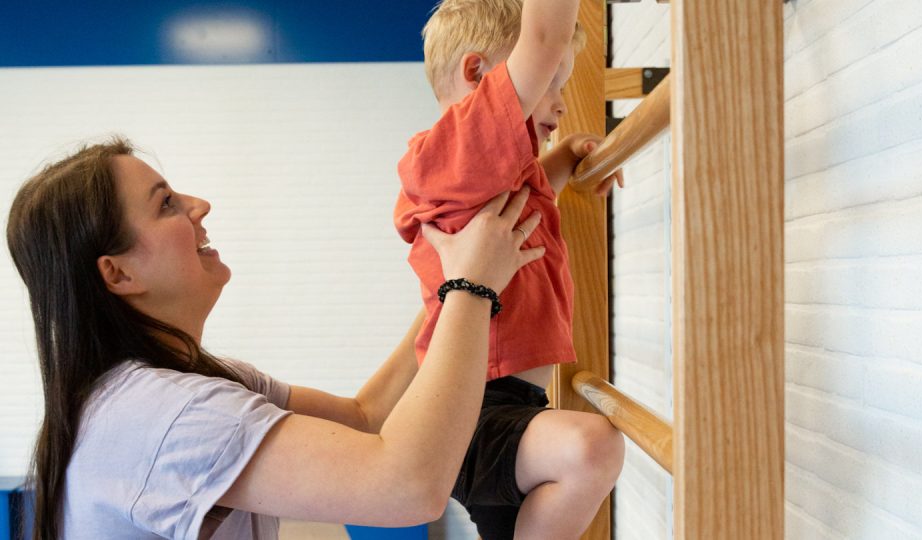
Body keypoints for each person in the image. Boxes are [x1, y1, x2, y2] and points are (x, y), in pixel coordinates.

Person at [5, 138, 546, 539]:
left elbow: (365, 416)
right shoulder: (166, 415)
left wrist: (447, 284)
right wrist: (471, 288)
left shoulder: (188, 380)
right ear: (118, 275)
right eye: (166, 203)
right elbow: (408, 487)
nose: (199, 205)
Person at [393, 0, 626, 538]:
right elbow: (543, 37)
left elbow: (527, 195)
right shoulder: (452, 149)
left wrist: (567, 157)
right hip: (476, 411)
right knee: (592, 446)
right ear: (478, 74)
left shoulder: (475, 171)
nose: (562, 103)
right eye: (551, 81)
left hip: (506, 406)